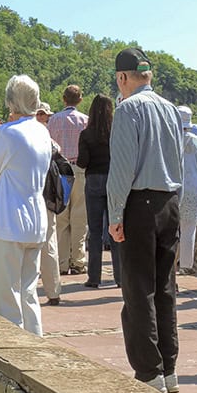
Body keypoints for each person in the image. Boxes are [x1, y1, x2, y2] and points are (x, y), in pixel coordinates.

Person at [107, 47, 183, 393]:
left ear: (123, 78)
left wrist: (115, 215)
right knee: (165, 288)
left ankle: (149, 372)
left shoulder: (127, 109)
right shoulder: (170, 110)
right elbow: (178, 162)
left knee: (138, 290)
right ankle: (169, 368)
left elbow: (122, 169)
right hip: (169, 201)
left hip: (140, 202)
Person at [0, 75, 52, 335]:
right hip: (35, 220)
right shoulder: (42, 131)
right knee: (28, 293)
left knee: (5, 297)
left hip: (9, 221)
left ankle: (13, 355)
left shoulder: (8, 133)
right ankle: (36, 344)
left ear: (11, 102)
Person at [77, 94, 121, 288]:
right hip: (113, 180)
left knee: (94, 231)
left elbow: (82, 162)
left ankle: (94, 277)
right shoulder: (117, 132)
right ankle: (120, 277)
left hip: (93, 179)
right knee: (116, 229)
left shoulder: (86, 134)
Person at [47, 84, 89, 275]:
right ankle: (78, 261)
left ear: (64, 99)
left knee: (61, 218)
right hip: (80, 169)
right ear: (80, 100)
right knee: (80, 217)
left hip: (60, 170)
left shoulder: (53, 120)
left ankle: (61, 263)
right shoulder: (85, 120)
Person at [175, 107, 197, 275]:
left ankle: (170, 263)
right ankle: (186, 264)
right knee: (189, 230)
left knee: (171, 231)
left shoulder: (168, 138)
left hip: (173, 188)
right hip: (194, 187)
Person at [35, 102, 62, 305]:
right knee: (49, 242)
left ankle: (25, 287)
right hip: (46, 194)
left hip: (28, 194)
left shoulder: (18, 133)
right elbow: (57, 149)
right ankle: (53, 291)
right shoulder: (44, 135)